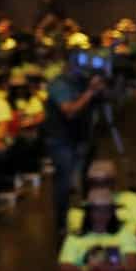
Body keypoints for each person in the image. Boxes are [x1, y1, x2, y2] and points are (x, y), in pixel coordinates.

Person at [42, 51, 108, 232]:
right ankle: (61, 223)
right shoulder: (59, 84)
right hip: (61, 139)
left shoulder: (83, 83)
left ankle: (89, 218)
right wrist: (90, 92)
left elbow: (103, 104)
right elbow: (69, 111)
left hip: (82, 136)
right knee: (64, 181)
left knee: (87, 177)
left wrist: (100, 92)